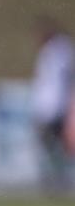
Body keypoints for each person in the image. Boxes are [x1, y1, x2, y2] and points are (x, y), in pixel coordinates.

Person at [31, 17, 74, 192]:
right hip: (48, 107)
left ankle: (58, 181)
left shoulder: (58, 50)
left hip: (54, 107)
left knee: (56, 145)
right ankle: (56, 180)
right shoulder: (54, 51)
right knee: (52, 146)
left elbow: (66, 76)